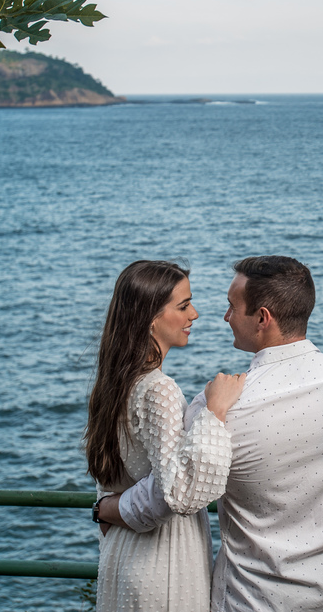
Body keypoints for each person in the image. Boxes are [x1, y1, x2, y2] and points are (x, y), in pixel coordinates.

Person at [96, 255, 323, 612]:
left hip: (250, 602)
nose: (223, 316)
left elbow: (173, 489)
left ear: (262, 318)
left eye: (232, 307)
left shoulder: (219, 407)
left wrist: (108, 507)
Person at [85, 260, 247, 612]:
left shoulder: (111, 385)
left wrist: (107, 512)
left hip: (121, 552)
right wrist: (214, 413)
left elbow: (108, 480)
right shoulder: (159, 389)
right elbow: (179, 493)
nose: (196, 314)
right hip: (164, 559)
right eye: (184, 305)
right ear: (151, 318)